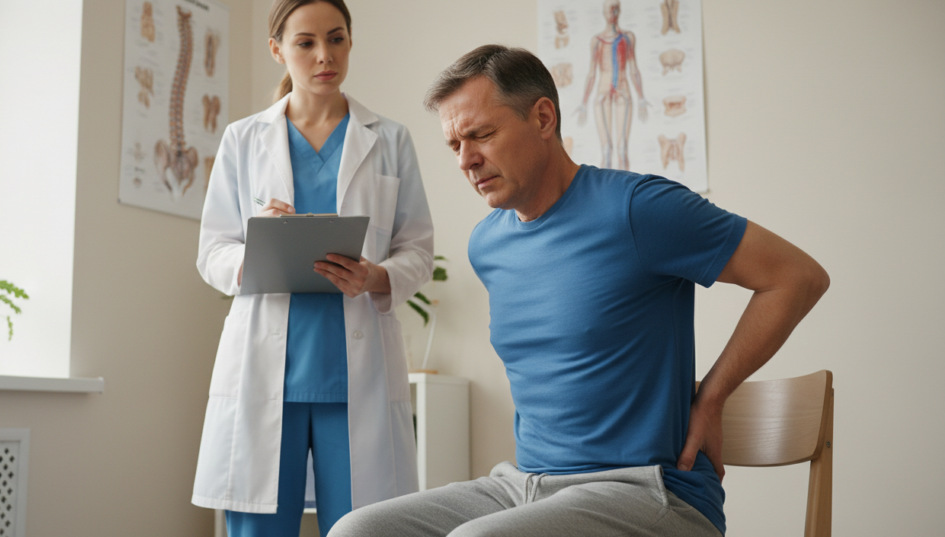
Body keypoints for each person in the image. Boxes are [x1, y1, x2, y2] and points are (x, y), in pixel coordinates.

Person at [328, 45, 829, 537]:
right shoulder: (489, 243)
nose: (467, 160)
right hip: (526, 486)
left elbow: (796, 277)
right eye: (454, 145)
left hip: (649, 490)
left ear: (543, 118)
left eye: (481, 135)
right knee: (359, 529)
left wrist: (714, 395)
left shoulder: (638, 209)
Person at [192, 0, 434, 537]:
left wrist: (377, 275)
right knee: (257, 528)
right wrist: (261, 245)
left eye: (337, 39)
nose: (325, 56)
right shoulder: (243, 139)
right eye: (306, 43)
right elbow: (212, 251)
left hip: (356, 375)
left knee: (363, 526)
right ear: (277, 48)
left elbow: (417, 249)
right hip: (266, 368)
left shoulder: (389, 140)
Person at [575, 0, 648, 171]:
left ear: (620, 11)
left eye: (615, 10)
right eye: (609, 10)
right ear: (603, 12)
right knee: (606, 150)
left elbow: (634, 69)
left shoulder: (628, 38)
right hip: (602, 94)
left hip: (623, 91)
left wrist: (642, 98)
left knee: (622, 149)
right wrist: (584, 103)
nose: (612, 14)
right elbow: (592, 73)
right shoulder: (597, 41)